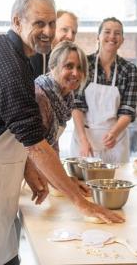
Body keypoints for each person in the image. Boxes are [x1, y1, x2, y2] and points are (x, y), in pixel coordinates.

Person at [0, 0, 123, 265]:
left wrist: (29, 171)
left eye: (51, 23)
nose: (47, 31)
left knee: (4, 256)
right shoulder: (7, 64)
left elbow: (17, 132)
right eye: (39, 23)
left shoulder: (20, 58)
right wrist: (80, 201)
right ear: (17, 22)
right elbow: (35, 143)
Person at [71, 17, 137, 163]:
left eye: (117, 33)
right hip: (85, 137)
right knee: (82, 183)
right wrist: (83, 140)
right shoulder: (84, 64)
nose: (112, 37)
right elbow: (76, 105)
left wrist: (113, 133)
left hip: (116, 140)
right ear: (98, 37)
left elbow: (128, 110)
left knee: (115, 182)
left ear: (122, 40)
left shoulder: (129, 69)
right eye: (107, 32)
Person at [34, 40, 89, 195]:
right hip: (25, 171)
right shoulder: (41, 96)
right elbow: (37, 150)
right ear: (53, 67)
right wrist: (65, 185)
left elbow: (53, 143)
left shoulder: (66, 98)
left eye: (80, 68)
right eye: (68, 66)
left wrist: (65, 179)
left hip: (42, 171)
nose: (76, 73)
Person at [30, 10, 78, 79]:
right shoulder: (36, 56)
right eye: (64, 29)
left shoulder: (71, 61)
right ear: (52, 29)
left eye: (73, 32)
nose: (70, 36)